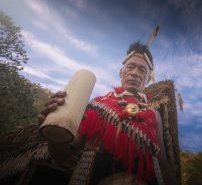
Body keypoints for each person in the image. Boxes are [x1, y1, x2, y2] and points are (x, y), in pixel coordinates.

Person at [38, 41, 178, 185]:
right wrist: (55, 130)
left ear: (148, 79)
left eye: (142, 70)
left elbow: (162, 164)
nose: (135, 73)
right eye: (130, 67)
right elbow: (62, 156)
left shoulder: (153, 115)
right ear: (121, 73)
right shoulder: (97, 104)